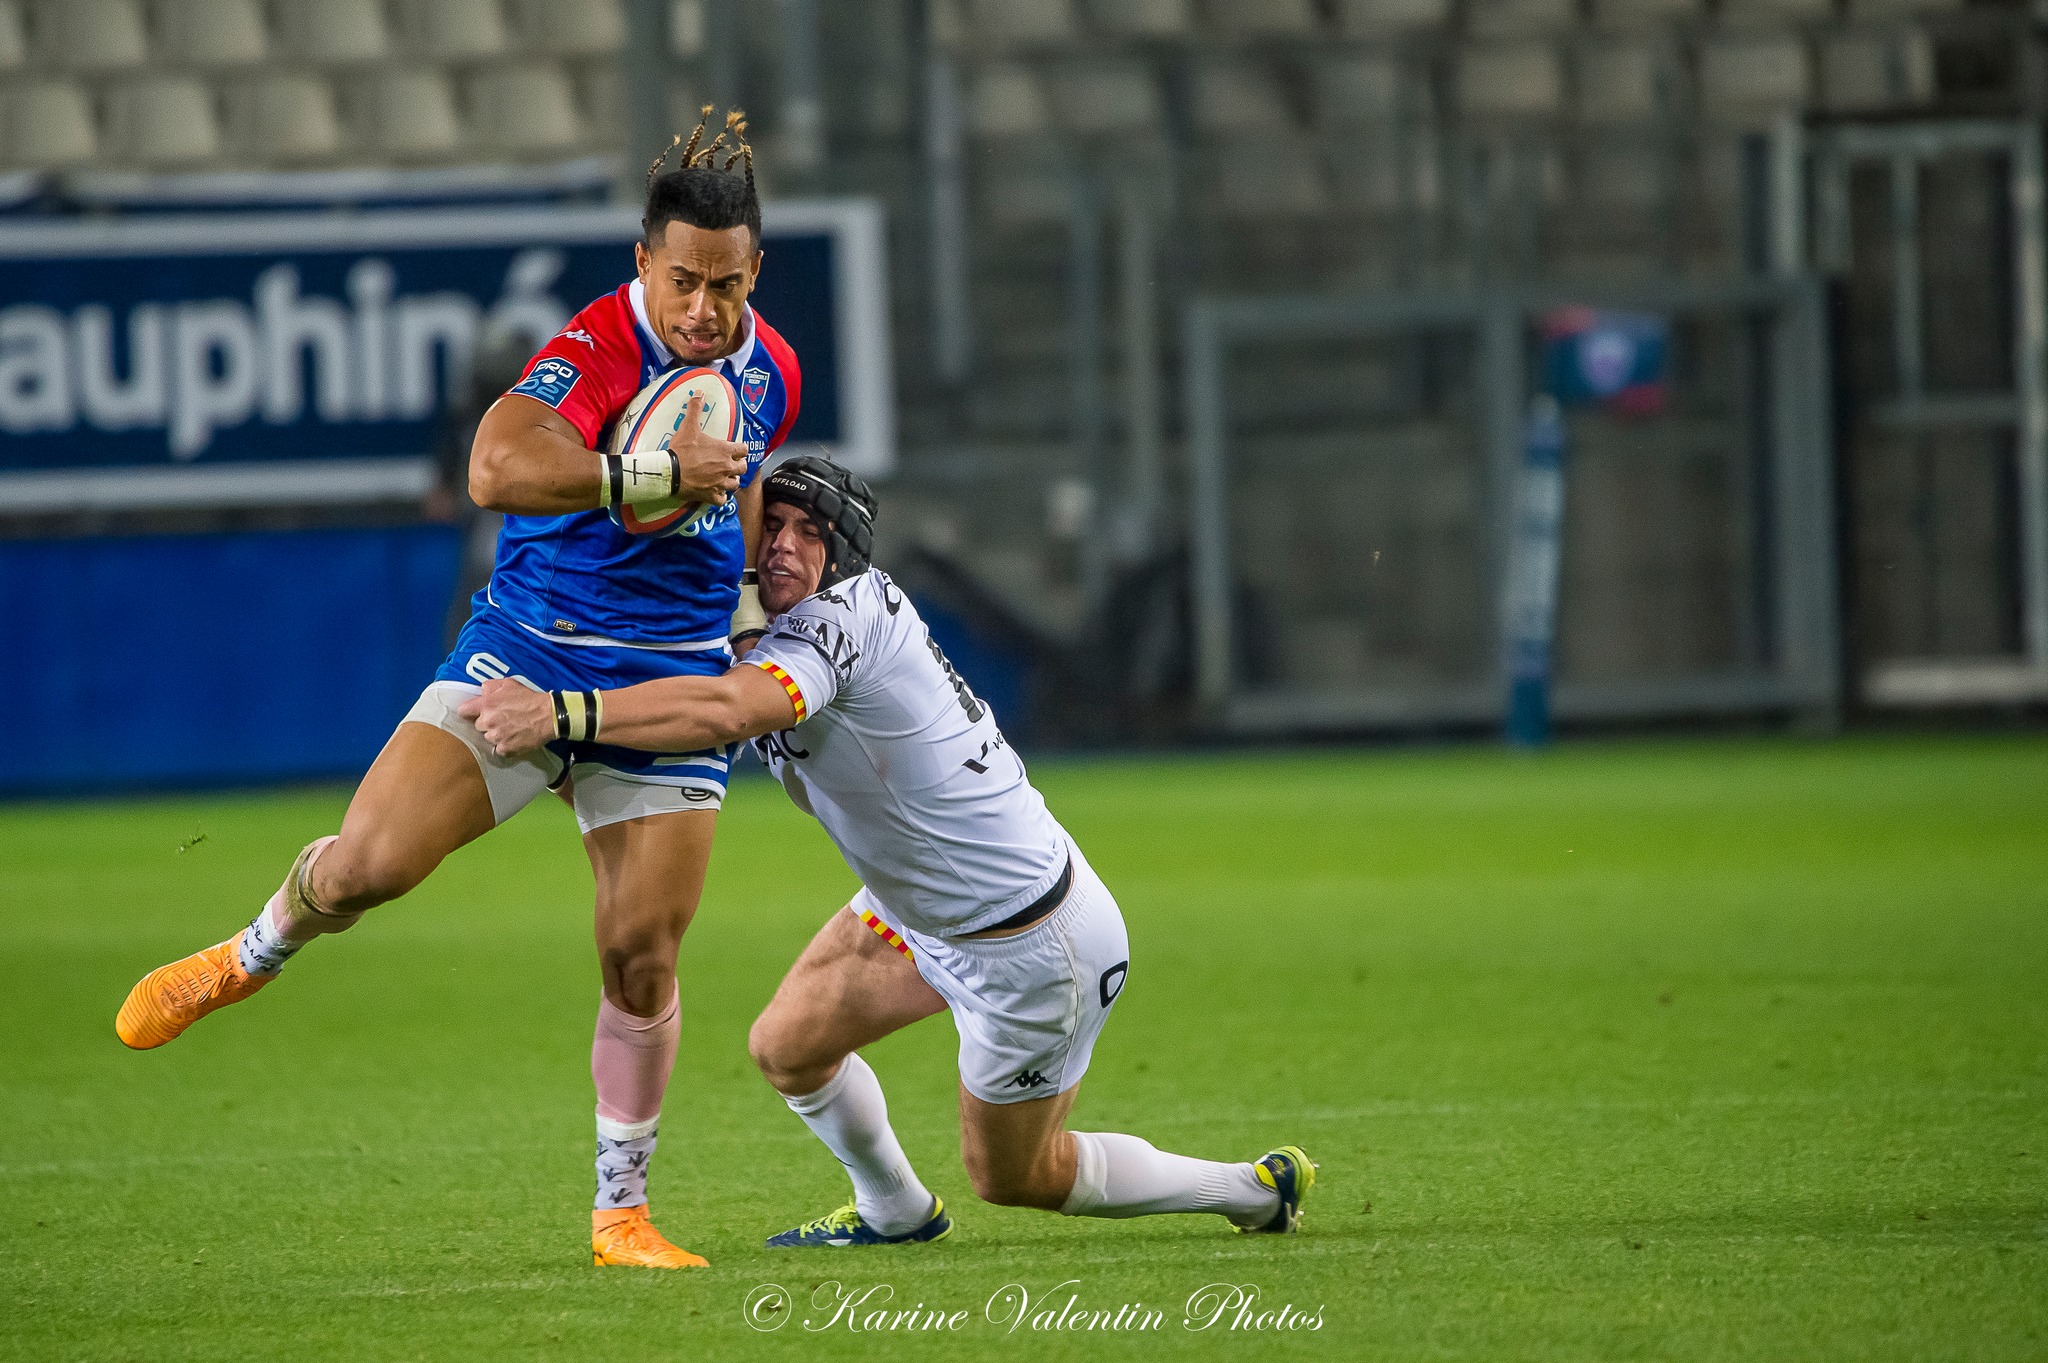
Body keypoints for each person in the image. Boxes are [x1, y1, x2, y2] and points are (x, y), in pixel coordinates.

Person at [114, 108, 801, 1271]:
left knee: (642, 951)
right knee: (367, 866)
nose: (701, 310)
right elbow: (496, 466)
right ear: (643, 264)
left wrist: (740, 619)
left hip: (668, 677)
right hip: (528, 649)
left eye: (725, 287)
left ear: (753, 274)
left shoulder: (770, 362)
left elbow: (730, 493)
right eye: (682, 280)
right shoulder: (592, 347)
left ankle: (619, 1215)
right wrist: (647, 470)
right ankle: (248, 952)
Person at [462, 457, 1315, 1247]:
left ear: (844, 558)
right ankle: (896, 1210)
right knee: (788, 1046)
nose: (788, 546)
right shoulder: (762, 623)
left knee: (1018, 1175)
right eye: (777, 526)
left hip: (1028, 941)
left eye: (812, 534)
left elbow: (723, 712)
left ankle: (1248, 1189)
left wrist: (561, 715)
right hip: (925, 912)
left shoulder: (842, 625)